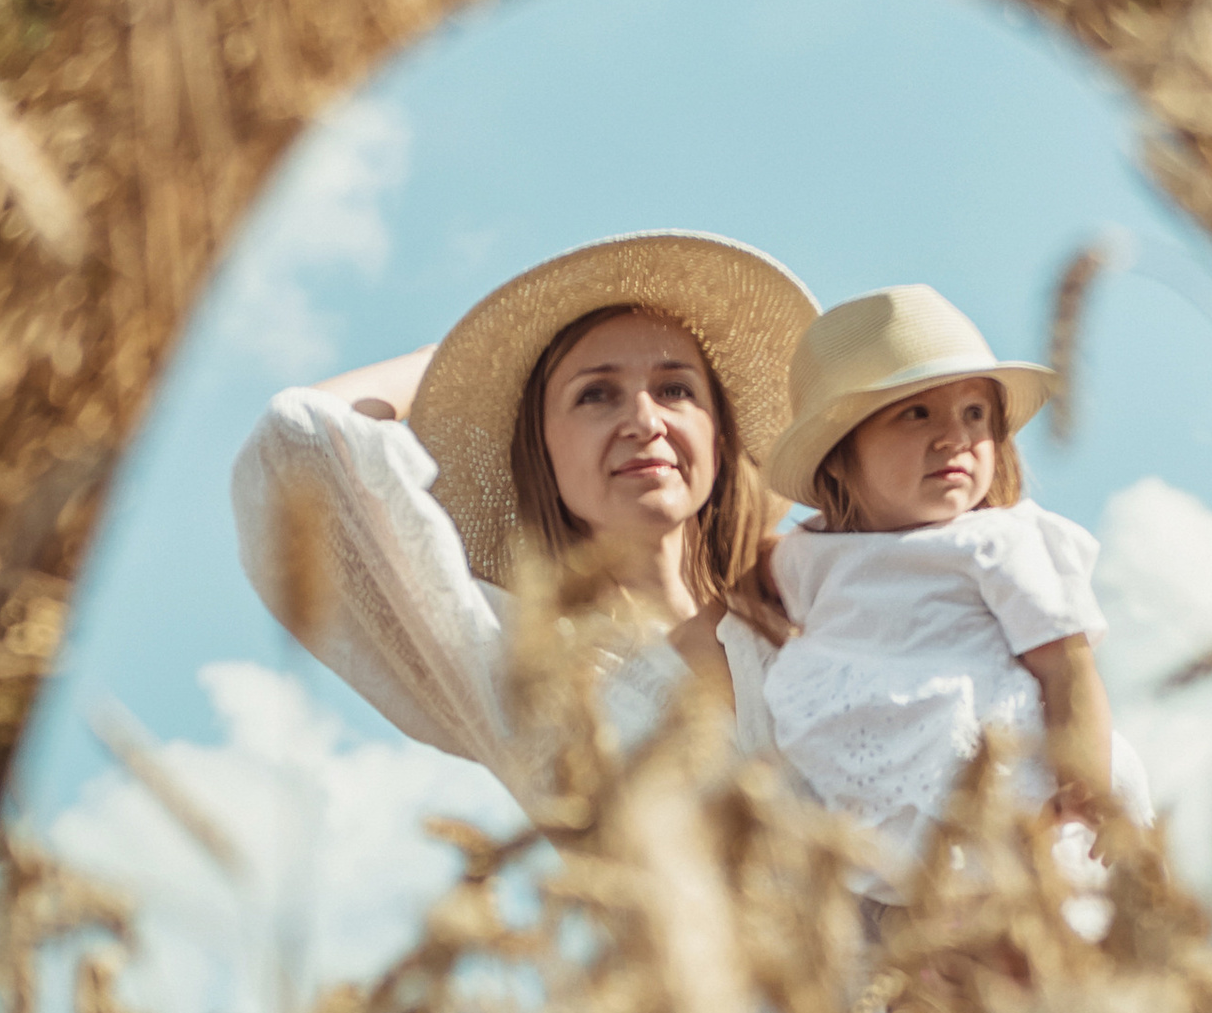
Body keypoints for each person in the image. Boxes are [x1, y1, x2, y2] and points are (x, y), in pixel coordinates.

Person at [230, 231, 816, 816]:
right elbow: (294, 442)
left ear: (719, 433)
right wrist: (448, 364)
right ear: (542, 448)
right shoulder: (518, 663)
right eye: (596, 395)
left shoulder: (820, 601)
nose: (644, 420)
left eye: (674, 389)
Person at [730, 281, 1148, 910]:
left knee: (1033, 926)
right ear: (841, 456)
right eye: (915, 413)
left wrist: (1086, 779)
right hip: (888, 821)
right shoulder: (808, 555)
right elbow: (732, 574)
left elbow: (1066, 663)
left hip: (1011, 795)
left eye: (974, 415)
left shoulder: (998, 542)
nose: (954, 436)